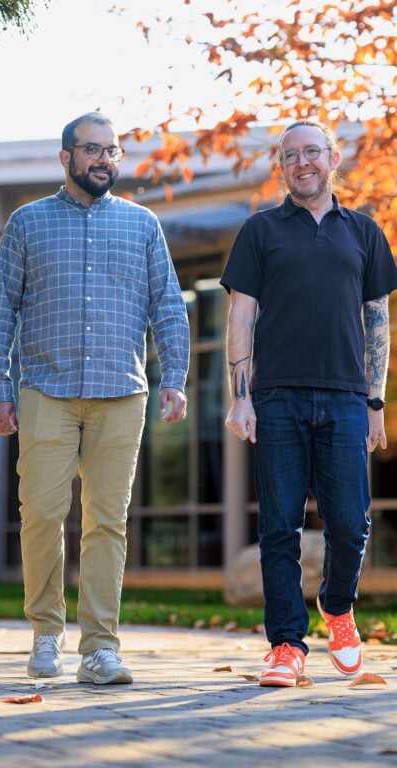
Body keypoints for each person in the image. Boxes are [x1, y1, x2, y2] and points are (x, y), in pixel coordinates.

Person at [0, 112, 189, 685]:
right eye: (92, 149)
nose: (104, 159)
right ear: (66, 157)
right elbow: (1, 309)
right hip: (45, 389)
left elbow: (168, 304)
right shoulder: (27, 222)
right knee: (41, 515)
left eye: (112, 150)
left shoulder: (142, 224)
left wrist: (176, 376)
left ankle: (99, 648)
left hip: (121, 391)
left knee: (107, 522)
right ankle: (46, 632)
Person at [221, 119, 397, 687]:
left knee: (350, 522)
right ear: (282, 166)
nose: (303, 162)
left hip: (346, 397)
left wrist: (375, 399)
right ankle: (285, 645)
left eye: (312, 152)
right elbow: (240, 314)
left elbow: (377, 320)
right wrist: (241, 398)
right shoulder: (260, 230)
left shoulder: (364, 231)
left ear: (333, 158)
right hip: (276, 396)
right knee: (280, 526)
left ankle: (338, 607)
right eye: (291, 155)